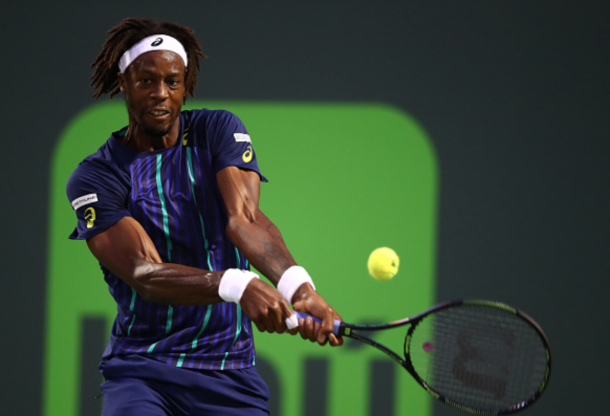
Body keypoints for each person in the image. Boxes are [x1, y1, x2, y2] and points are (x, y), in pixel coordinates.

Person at [66, 17, 343, 416]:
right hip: (143, 371)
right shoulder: (98, 176)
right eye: (146, 81)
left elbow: (245, 220)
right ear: (123, 82)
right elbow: (145, 275)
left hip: (232, 375)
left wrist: (298, 289)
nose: (161, 94)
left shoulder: (216, 131)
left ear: (186, 83)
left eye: (172, 81)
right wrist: (236, 284)